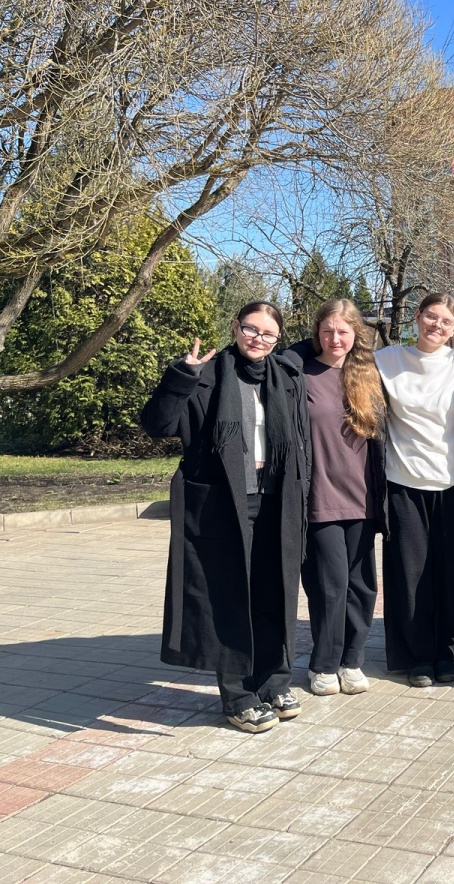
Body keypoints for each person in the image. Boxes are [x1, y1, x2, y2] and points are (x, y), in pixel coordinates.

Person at [142, 301, 309, 734]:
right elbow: (159, 425)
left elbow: (301, 442)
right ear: (235, 327)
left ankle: (274, 681)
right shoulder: (208, 375)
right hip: (222, 504)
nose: (258, 339)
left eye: (268, 333)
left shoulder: (285, 377)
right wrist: (181, 376)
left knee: (274, 592)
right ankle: (238, 696)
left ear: (278, 339)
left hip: (276, 500)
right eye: (251, 329)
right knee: (231, 596)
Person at [375, 292, 454, 688]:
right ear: (417, 316)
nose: (437, 325)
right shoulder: (386, 360)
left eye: (446, 321)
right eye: (431, 316)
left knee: (453, 575)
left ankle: (447, 653)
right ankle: (418, 656)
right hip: (404, 484)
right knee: (410, 575)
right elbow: (334, 354)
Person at [288, 299, 386, 698]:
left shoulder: (368, 375)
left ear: (355, 334)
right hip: (320, 498)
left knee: (361, 587)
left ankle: (352, 661)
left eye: (343, 331)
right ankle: (324, 664)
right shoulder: (299, 373)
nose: (335, 338)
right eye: (327, 330)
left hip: (363, 498)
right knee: (330, 586)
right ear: (316, 332)